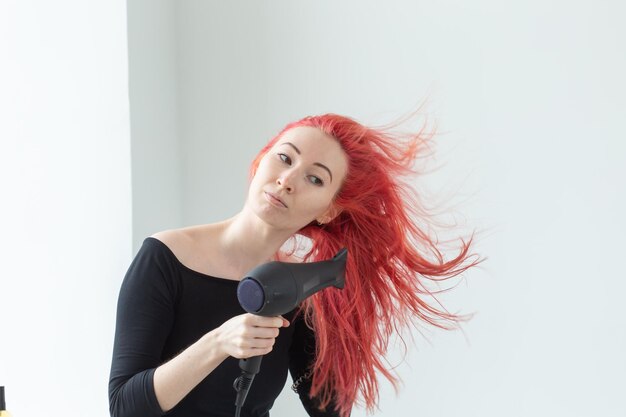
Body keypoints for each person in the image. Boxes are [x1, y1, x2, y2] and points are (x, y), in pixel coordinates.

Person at [108, 113, 480, 417]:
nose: (287, 181)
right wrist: (219, 343)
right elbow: (124, 406)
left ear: (330, 209)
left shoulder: (296, 291)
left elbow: (326, 409)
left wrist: (340, 312)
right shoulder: (165, 257)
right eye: (284, 158)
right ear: (262, 159)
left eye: (314, 178)